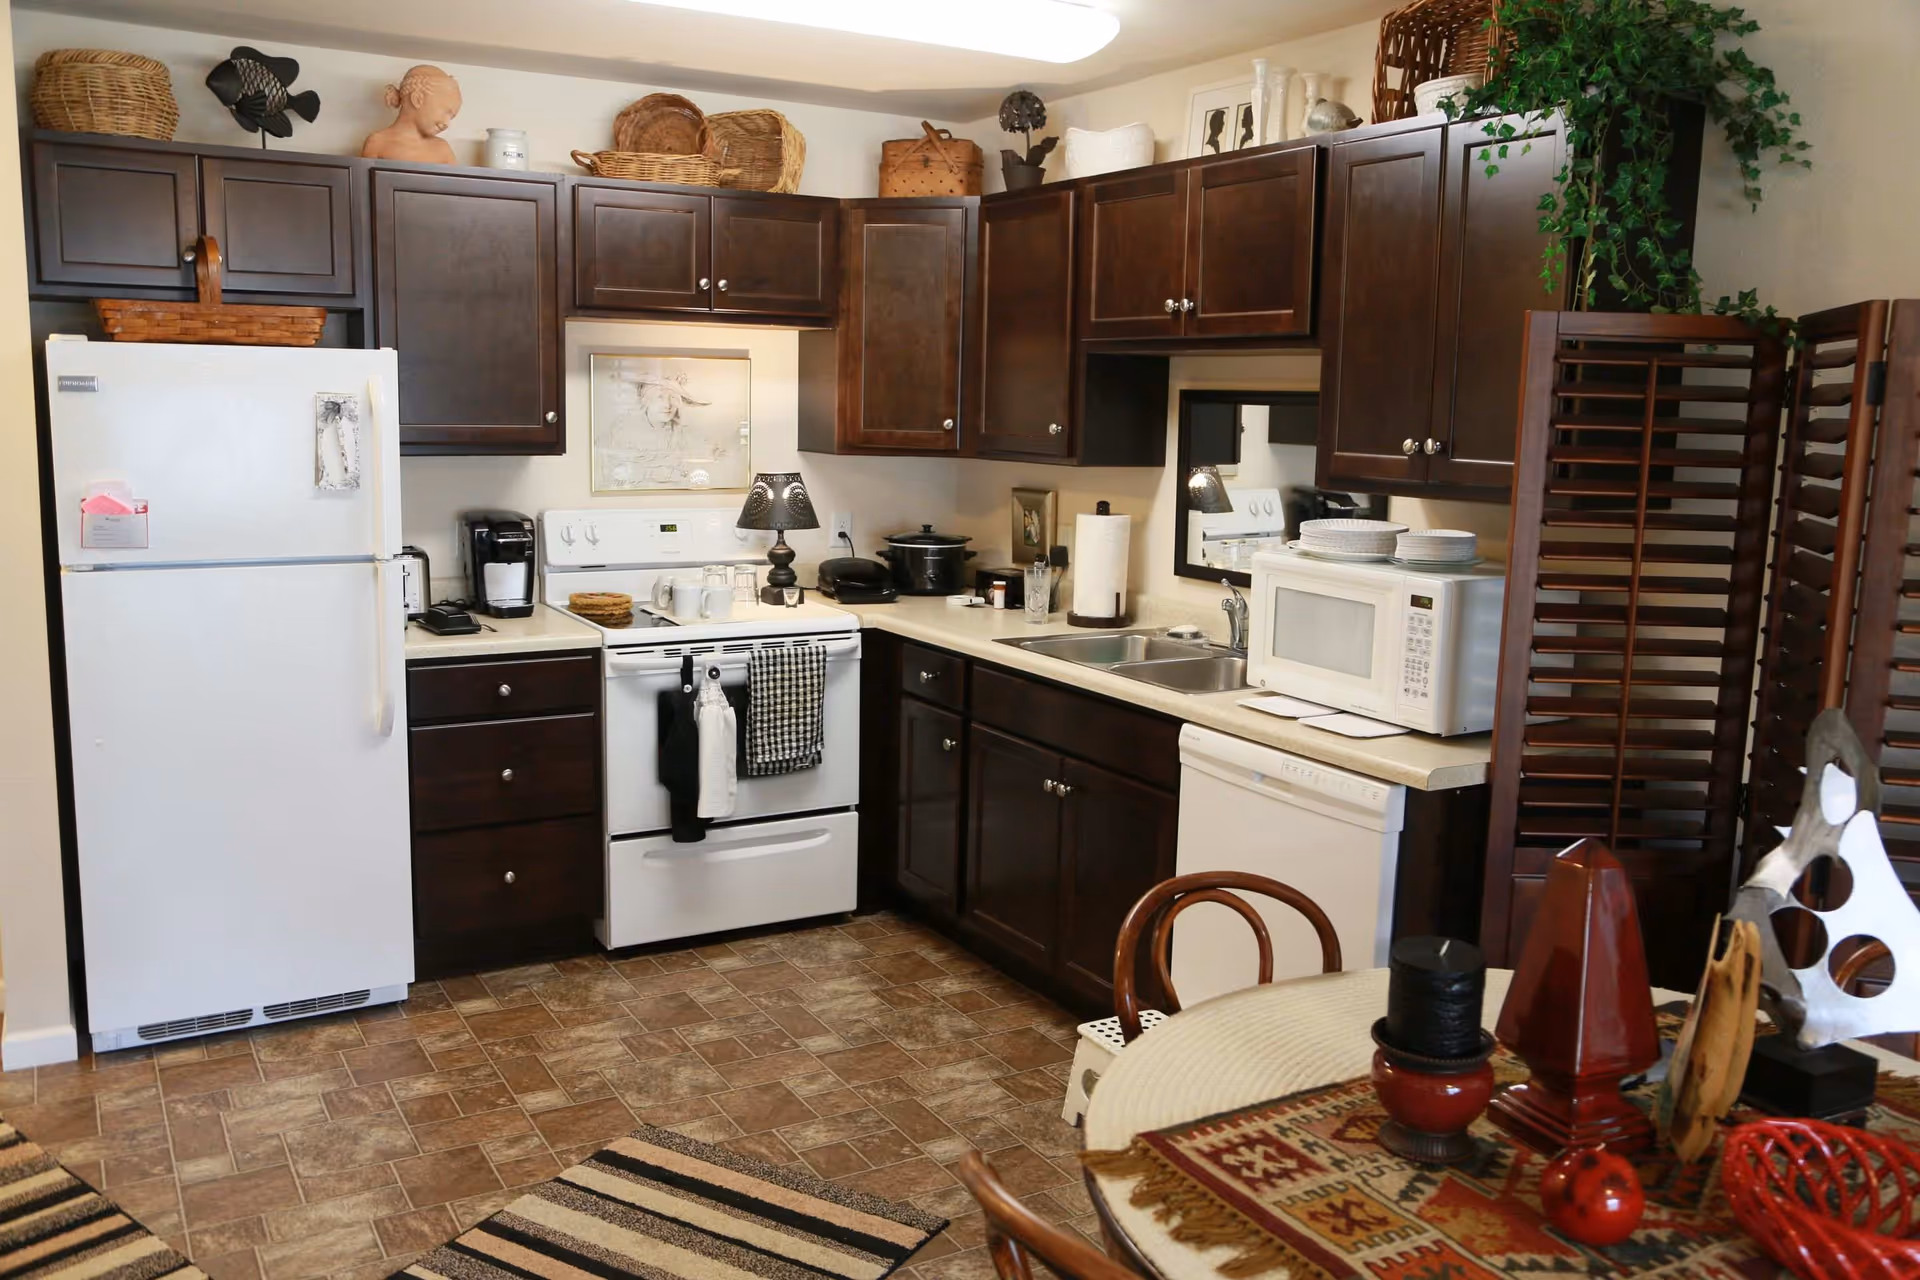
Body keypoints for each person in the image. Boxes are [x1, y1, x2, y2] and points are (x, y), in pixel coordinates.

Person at [361, 65, 461, 163]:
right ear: (417, 99)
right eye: (445, 112)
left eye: (451, 117)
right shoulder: (378, 142)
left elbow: (457, 179)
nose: (447, 124)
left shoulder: (443, 149)